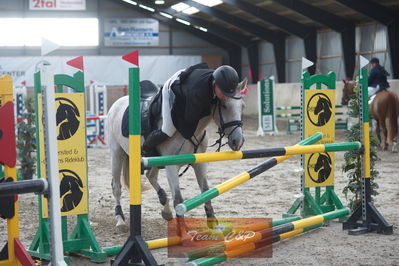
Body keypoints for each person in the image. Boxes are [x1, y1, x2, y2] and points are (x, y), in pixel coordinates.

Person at [142, 63, 240, 156]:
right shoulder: (198, 93)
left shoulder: (220, 79)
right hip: (172, 87)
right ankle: (145, 148)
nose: (226, 97)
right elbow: (189, 120)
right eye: (224, 93)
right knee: (168, 130)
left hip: (189, 79)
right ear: (214, 83)